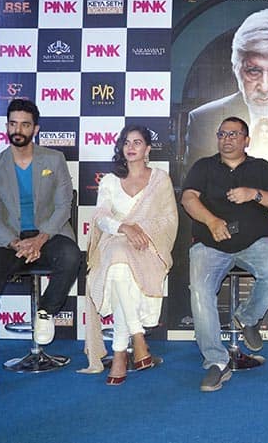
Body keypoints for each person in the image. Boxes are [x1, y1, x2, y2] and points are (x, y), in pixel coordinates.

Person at [0, 99, 81, 402]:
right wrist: (17, 243)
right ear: (7, 127)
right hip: (7, 240)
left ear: (35, 129)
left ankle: (46, 311)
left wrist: (40, 239)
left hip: (48, 234)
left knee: (71, 256)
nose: (18, 129)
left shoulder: (54, 159)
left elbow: (63, 205)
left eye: (25, 124)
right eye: (13, 123)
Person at [181, 116, 268, 392]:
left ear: (246, 140)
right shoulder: (204, 166)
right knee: (200, 291)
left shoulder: (261, 166)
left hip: (255, 241)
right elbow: (188, 198)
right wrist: (212, 221)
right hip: (210, 243)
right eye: (222, 134)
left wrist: (254, 194)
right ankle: (217, 362)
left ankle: (248, 318)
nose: (226, 139)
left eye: (233, 134)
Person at [80, 125, 178, 384]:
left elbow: (169, 220)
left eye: (137, 142)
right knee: (118, 260)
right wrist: (124, 228)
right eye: (126, 142)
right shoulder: (110, 181)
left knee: (119, 268)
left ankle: (120, 353)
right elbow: (101, 217)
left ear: (147, 149)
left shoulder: (160, 179)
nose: (131, 147)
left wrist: (140, 231)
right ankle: (136, 336)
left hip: (148, 246)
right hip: (114, 241)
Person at [183, 9, 268, 169]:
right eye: (254, 71)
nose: (264, 87)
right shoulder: (202, 120)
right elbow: (194, 182)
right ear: (236, 68)